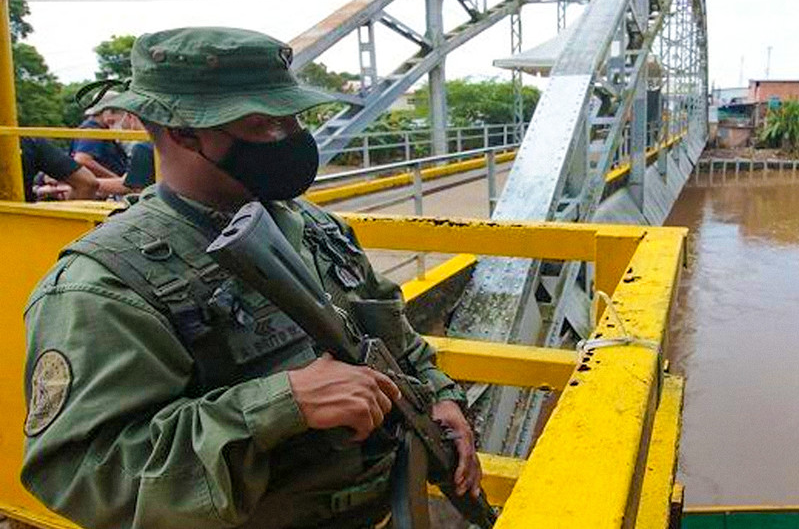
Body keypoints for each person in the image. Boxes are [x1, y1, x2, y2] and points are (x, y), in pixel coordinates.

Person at [21, 27, 481, 529]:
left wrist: (439, 395)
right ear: (180, 132)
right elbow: (84, 478)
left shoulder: (314, 225)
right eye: (263, 124)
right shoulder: (107, 284)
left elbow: (392, 332)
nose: (290, 139)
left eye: (293, 118)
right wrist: (281, 406)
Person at [94, 111, 156, 197]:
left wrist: (85, 182)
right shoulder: (169, 139)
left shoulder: (143, 148)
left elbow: (132, 187)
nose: (111, 129)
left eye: (112, 122)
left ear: (130, 116)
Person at [18, 136, 98, 201]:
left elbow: (88, 183)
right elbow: (87, 183)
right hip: (23, 217)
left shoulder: (28, 141)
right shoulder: (29, 141)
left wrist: (37, 191)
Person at [70, 95, 128, 177]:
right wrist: (116, 179)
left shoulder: (103, 130)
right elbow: (82, 160)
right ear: (108, 111)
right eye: (118, 112)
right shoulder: (92, 130)